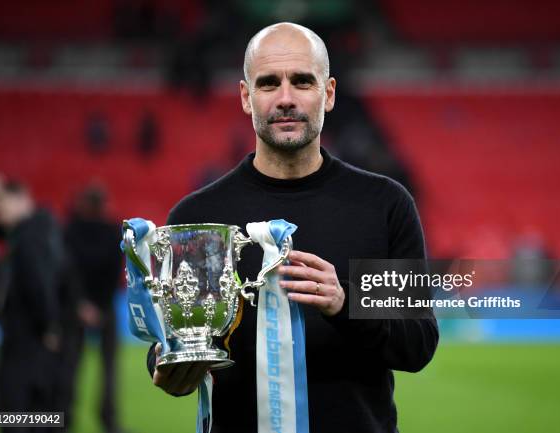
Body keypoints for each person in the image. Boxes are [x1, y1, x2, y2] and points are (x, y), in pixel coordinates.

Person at [147, 22, 439, 433]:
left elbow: (417, 345)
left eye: (302, 81)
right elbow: (174, 343)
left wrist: (346, 302)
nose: (286, 99)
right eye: (269, 84)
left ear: (329, 93)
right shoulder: (198, 218)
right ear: (247, 98)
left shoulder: (382, 205)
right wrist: (166, 366)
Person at [0, 180, 64, 433]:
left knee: (16, 413)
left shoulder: (28, 237)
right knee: (33, 412)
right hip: (30, 336)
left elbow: (38, 285)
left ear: (22, 199)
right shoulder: (29, 232)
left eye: (2, 203)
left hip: (26, 337)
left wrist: (47, 325)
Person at [62, 186, 124, 433]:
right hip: (105, 305)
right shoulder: (112, 231)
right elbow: (113, 273)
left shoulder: (69, 231)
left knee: (70, 366)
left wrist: (80, 304)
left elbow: (67, 272)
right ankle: (109, 420)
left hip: (75, 307)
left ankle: (64, 419)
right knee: (109, 368)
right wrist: (99, 305)